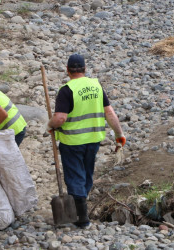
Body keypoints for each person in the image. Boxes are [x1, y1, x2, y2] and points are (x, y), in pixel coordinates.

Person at [47, 54, 126, 228]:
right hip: (93, 141)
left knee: (75, 176)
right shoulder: (96, 86)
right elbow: (110, 114)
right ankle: (81, 204)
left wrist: (50, 124)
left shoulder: (67, 90)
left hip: (72, 141)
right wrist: (119, 135)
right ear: (85, 69)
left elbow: (60, 118)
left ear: (67, 70)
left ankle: (82, 219)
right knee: (86, 173)